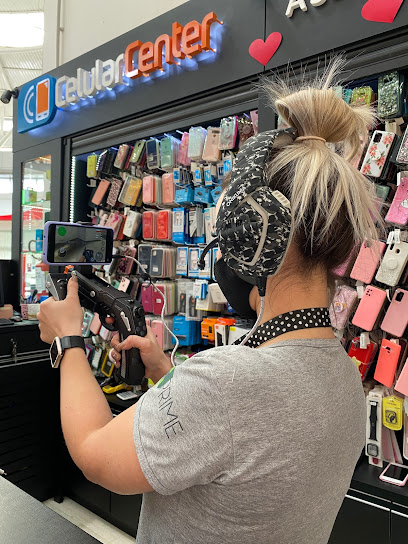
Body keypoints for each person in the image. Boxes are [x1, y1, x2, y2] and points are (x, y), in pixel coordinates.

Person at [37, 61, 380, 544]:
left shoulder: (228, 384)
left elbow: (95, 453)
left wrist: (68, 340)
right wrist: (167, 374)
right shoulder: (343, 375)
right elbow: (238, 438)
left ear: (252, 236)